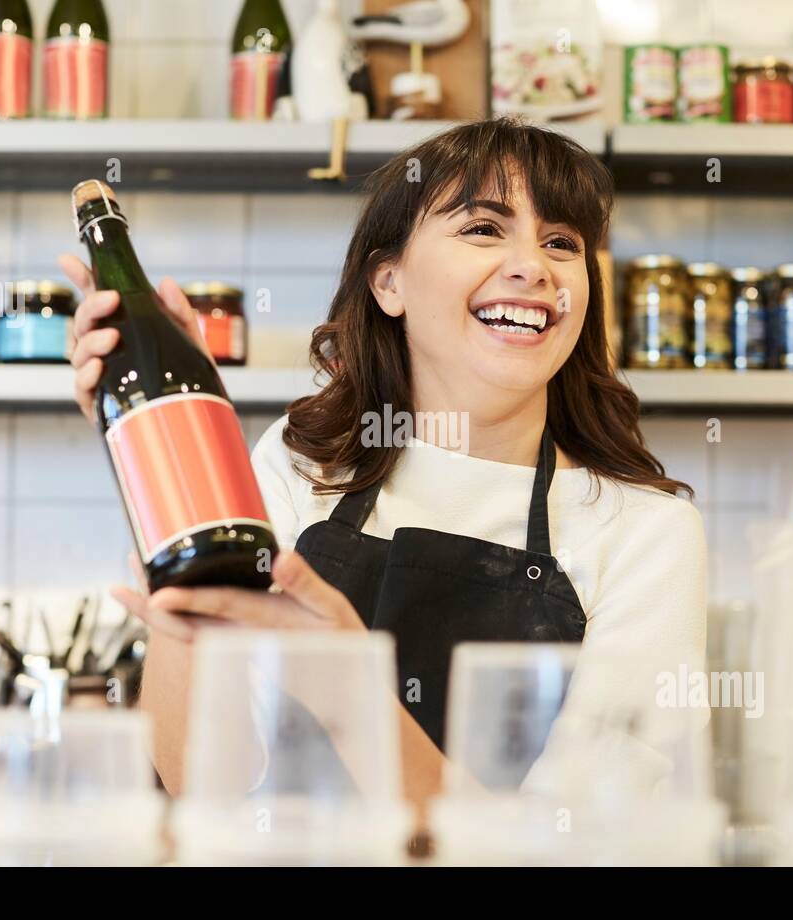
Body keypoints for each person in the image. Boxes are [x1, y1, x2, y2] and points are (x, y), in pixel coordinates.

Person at [60, 117, 707, 810]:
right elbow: (208, 789)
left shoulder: (645, 531)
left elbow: (573, 846)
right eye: (484, 229)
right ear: (389, 282)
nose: (534, 266)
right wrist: (173, 457)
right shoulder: (301, 464)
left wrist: (347, 686)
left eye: (561, 243)